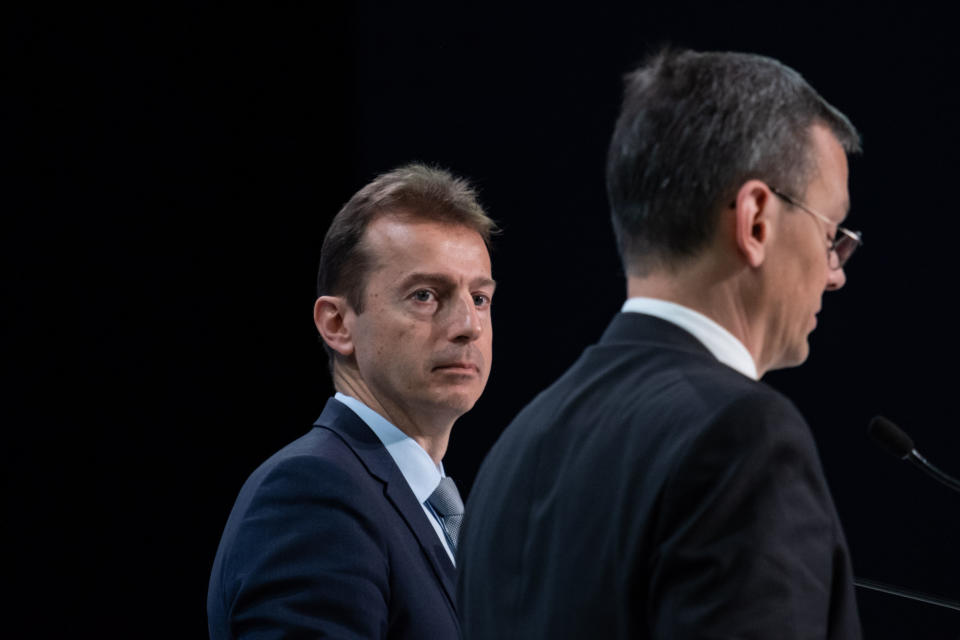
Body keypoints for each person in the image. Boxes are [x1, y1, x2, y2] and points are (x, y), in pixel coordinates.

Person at [457, 49, 863, 639]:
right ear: (755, 221)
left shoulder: (514, 450)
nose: (835, 272)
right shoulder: (746, 440)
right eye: (832, 234)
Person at [208, 163, 497, 639]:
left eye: (480, 297)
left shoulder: (436, 505)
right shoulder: (312, 492)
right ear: (337, 324)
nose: (469, 324)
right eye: (425, 295)